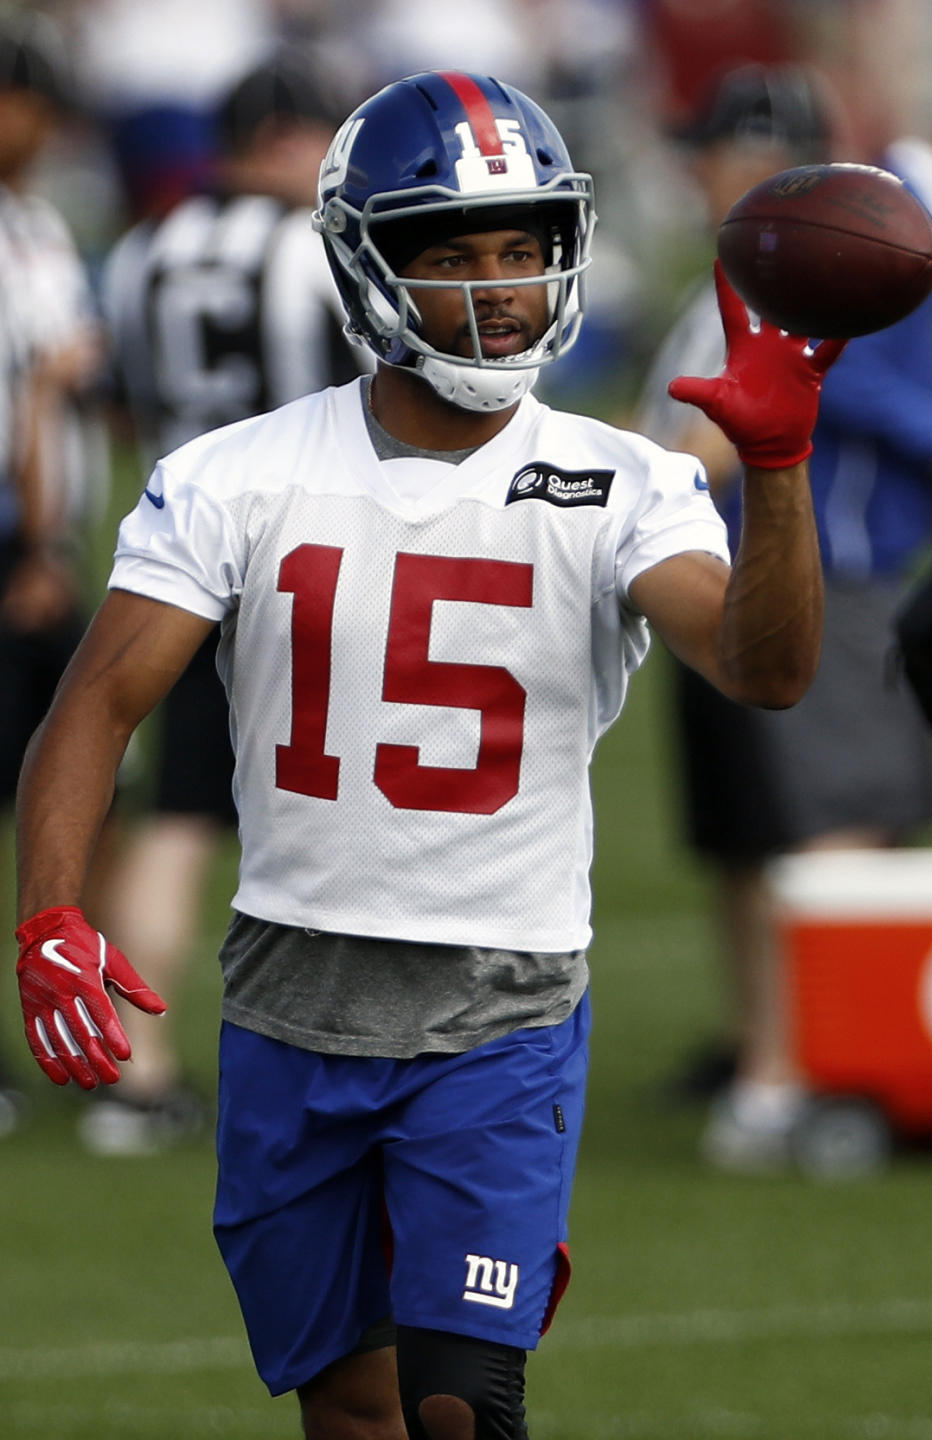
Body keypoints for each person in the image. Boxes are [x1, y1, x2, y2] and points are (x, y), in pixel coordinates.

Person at [13, 71, 842, 1438]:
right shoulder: (237, 473)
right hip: (291, 989)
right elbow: (95, 707)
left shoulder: (625, 478)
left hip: (500, 1004)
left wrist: (782, 467)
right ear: (363, 261)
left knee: (460, 1405)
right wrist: (49, 910)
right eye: (450, 253)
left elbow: (768, 669)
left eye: (522, 246)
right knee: (350, 1407)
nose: (498, 287)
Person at [637, 63, 932, 1170]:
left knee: (810, 832)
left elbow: (800, 389)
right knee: (795, 832)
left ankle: (791, 1066)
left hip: (804, 561)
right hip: (765, 568)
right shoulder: (791, 259)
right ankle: (780, 1066)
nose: (710, 169)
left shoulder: (815, 251)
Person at [77, 49, 369, 1156]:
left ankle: (135, 1071)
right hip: (316, 559)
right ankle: (343, 1061)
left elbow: (118, 402)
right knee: (338, 816)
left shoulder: (144, 249)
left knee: (181, 818)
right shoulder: (317, 251)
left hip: (180, 551)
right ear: (295, 138)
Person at [0, 13, 106, 1136]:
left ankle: (76, 1023)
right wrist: (32, 546)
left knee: (70, 790)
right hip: (11, 543)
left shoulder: (34, 221)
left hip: (40, 540)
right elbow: (29, 394)